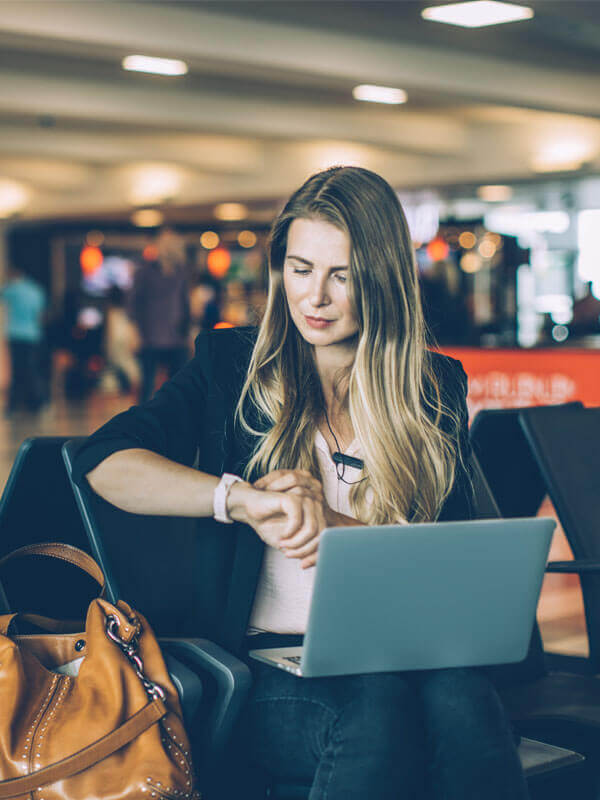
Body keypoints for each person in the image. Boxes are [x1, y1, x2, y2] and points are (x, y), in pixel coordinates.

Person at [72, 166, 528, 800]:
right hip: (268, 662)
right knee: (372, 710)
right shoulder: (231, 366)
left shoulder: (432, 388)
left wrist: (334, 527)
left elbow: (440, 566)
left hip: (399, 649)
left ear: (383, 280)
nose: (315, 297)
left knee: (465, 696)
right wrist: (243, 500)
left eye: (342, 276)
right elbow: (105, 460)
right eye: (300, 268)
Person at [128, 227, 191, 402]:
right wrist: (135, 334)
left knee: (179, 384)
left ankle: (176, 422)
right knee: (147, 385)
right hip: (150, 337)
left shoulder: (181, 272)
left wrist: (189, 331)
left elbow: (184, 304)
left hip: (176, 337)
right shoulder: (144, 272)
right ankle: (142, 424)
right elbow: (133, 305)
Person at [0, 264, 46, 414]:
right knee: (30, 367)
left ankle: (15, 405)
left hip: (16, 333)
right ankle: (35, 402)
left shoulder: (13, 289)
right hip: (32, 334)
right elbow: (40, 315)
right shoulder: (36, 291)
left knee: (19, 369)